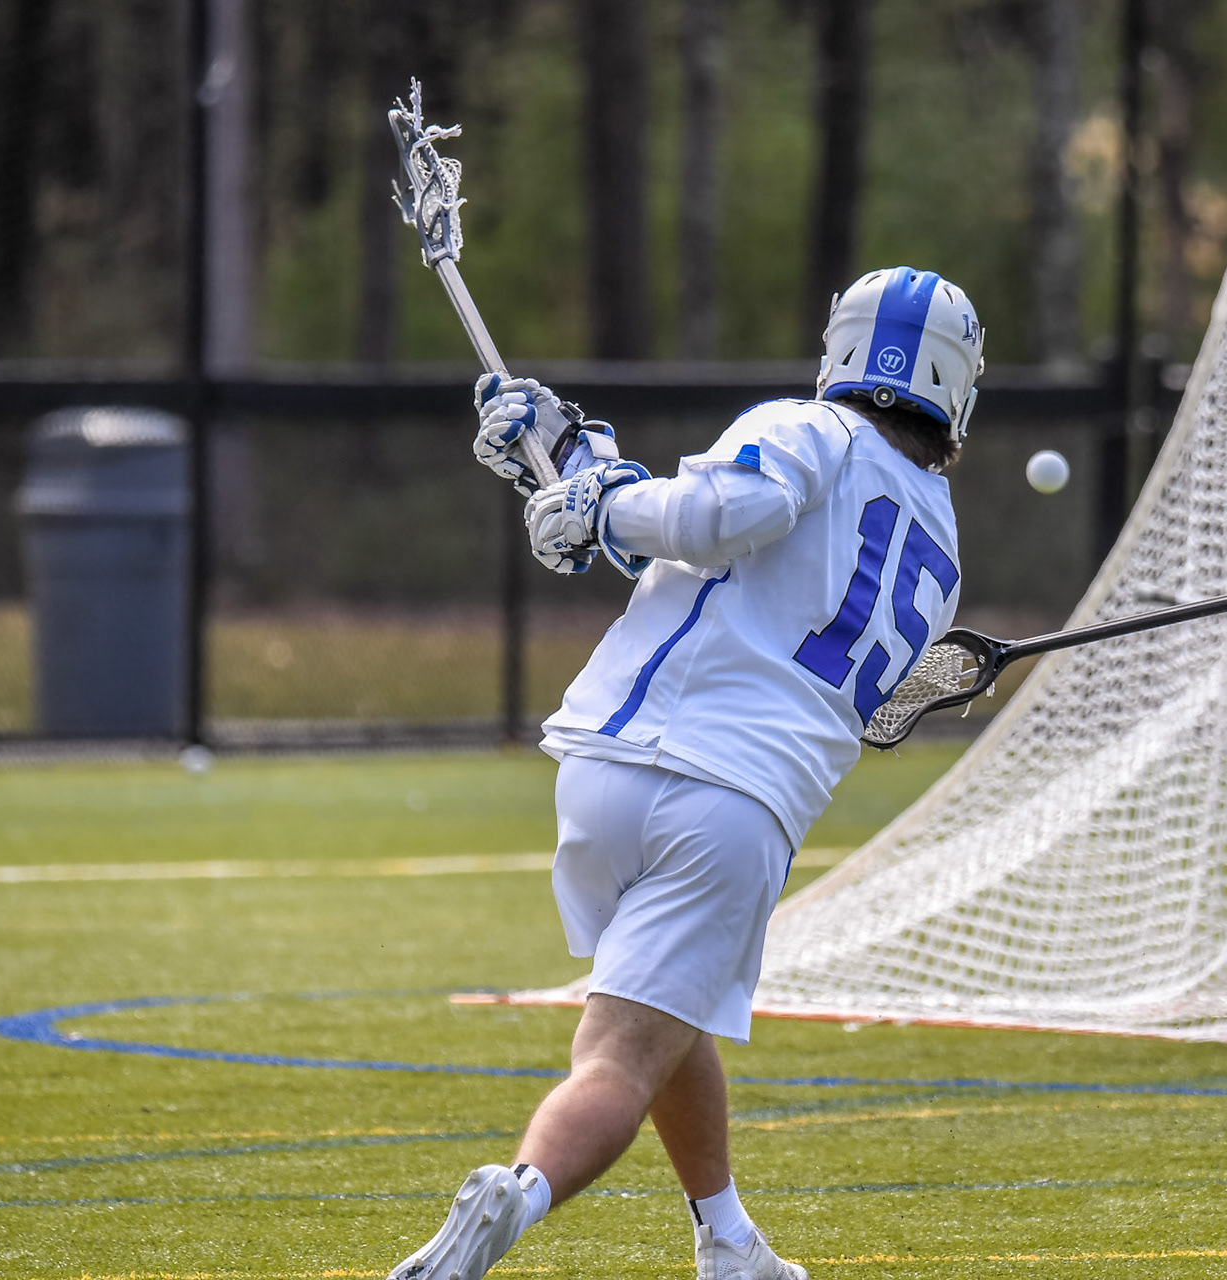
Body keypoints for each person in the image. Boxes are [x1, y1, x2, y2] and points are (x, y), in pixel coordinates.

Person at [385, 266, 983, 1280]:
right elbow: (711, 524)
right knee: (619, 1055)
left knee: (667, 1008)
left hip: (606, 768)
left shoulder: (806, 429)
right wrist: (588, 478)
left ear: (841, 349)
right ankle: (519, 1189)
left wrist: (588, 486)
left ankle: (729, 1239)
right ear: (956, 387)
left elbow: (705, 530)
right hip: (733, 806)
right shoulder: (941, 545)